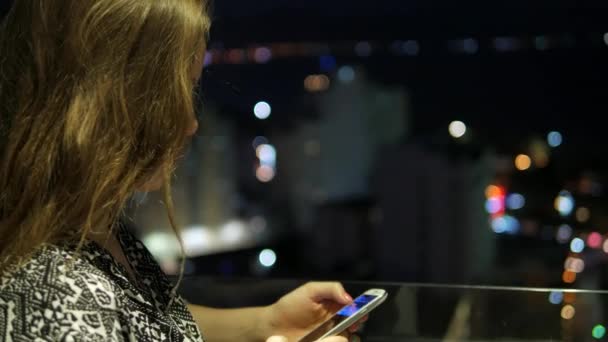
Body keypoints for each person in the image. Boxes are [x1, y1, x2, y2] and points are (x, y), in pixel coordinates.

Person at [0, 0, 364, 341]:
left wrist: (265, 323)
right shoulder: (59, 297)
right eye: (172, 96)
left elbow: (151, 323)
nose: (190, 123)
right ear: (104, 104)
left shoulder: (92, 230)